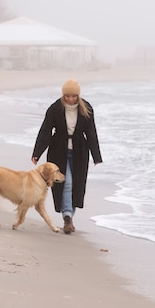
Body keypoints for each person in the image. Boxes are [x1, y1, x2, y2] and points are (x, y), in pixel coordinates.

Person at [31, 78, 102, 234]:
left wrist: (96, 155)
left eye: (73, 96)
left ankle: (69, 215)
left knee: (76, 185)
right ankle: (67, 217)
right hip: (58, 151)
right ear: (63, 96)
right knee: (66, 183)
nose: (70, 99)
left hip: (79, 152)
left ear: (78, 96)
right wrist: (37, 153)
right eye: (67, 96)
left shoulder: (86, 109)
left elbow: (91, 133)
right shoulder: (55, 109)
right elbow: (45, 131)